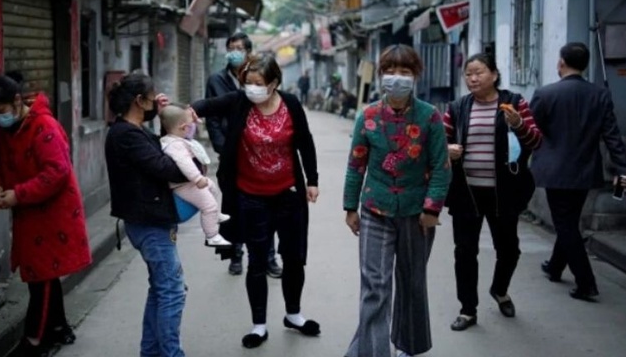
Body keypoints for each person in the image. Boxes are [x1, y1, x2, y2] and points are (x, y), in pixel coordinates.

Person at [191, 55, 320, 349]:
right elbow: (206, 106)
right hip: (250, 197)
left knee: (294, 258)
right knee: (257, 261)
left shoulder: (291, 104)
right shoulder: (239, 102)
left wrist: (312, 180)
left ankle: (294, 314)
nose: (251, 89)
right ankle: (259, 325)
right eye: (247, 82)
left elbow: (305, 142)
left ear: (274, 84)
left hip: (288, 195)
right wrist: (182, 112)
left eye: (258, 84)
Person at [343, 44, 451, 357]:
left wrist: (432, 210)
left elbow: (441, 168)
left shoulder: (430, 117)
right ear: (381, 76)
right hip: (375, 209)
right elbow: (356, 165)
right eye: (391, 71)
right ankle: (375, 353)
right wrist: (350, 208)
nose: (397, 78)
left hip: (417, 214)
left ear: (415, 76)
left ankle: (408, 346)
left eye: (404, 72)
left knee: (411, 283)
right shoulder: (369, 116)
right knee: (375, 286)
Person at [0, 71, 92, 357]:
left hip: (53, 213)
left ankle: (34, 342)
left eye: (2, 111)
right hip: (28, 211)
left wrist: (17, 194)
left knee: (40, 278)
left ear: (17, 101)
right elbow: (4, 168)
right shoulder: (4, 130)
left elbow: (57, 172)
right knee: (45, 272)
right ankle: (58, 328)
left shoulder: (45, 126)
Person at [443, 53, 542, 331]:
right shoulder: (457, 107)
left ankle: (500, 290)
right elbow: (439, 140)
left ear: (494, 75)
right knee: (464, 252)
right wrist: (447, 150)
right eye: (468, 74)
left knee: (509, 249)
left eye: (479, 72)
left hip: (505, 193)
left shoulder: (514, 103)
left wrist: (519, 125)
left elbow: (536, 141)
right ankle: (468, 309)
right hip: (466, 194)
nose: (472, 79)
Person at [530, 42, 626, 301]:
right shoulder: (599, 95)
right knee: (569, 222)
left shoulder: (545, 94)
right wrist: (623, 168)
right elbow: (611, 136)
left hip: (554, 171)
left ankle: (586, 282)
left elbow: (529, 133)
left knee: (565, 225)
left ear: (561, 62)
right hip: (584, 169)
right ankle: (554, 266)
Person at [105, 73, 191, 357]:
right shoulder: (127, 135)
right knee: (172, 291)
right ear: (139, 101)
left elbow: (160, 151)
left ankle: (152, 352)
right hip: (149, 223)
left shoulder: (133, 130)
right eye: (153, 97)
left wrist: (162, 117)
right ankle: (170, 354)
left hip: (150, 220)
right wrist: (195, 168)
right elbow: (165, 166)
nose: (157, 100)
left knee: (161, 289)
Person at [205, 32, 282, 278]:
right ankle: (235, 256)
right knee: (233, 207)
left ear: (249, 51)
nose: (234, 52)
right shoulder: (217, 80)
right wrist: (222, 147)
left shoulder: (260, 77)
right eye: (231, 47)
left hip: (259, 154)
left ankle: (268, 258)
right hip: (231, 155)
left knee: (266, 207)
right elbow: (213, 117)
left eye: (239, 48)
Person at [158, 104, 232, 247]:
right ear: (182, 126)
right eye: (190, 124)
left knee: (212, 187)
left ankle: (216, 215)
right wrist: (197, 178)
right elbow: (185, 163)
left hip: (189, 182)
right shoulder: (175, 145)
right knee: (208, 206)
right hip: (184, 185)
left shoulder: (176, 139)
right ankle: (212, 235)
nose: (193, 126)